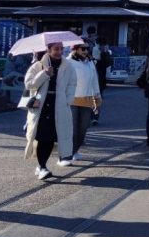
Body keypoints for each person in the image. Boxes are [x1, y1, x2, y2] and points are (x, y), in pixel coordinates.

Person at [24, 43, 77, 178]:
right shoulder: (38, 65)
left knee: (52, 138)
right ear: (48, 50)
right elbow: (29, 84)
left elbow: (72, 83)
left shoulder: (68, 65)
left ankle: (42, 165)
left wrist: (68, 99)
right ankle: (42, 167)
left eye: (61, 49)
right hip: (41, 105)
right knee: (42, 137)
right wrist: (44, 73)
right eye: (56, 49)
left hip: (59, 104)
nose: (59, 52)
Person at [67, 42, 101, 160]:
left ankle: (74, 150)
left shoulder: (90, 62)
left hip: (87, 100)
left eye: (87, 49)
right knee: (73, 130)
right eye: (83, 49)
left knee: (83, 129)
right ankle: (67, 154)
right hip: (72, 100)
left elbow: (94, 80)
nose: (86, 51)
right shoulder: (68, 62)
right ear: (75, 49)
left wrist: (97, 96)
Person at [92, 38, 112, 125]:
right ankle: (94, 117)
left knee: (96, 98)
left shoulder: (103, 51)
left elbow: (108, 62)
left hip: (99, 77)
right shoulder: (95, 50)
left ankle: (95, 117)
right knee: (96, 98)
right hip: (98, 77)